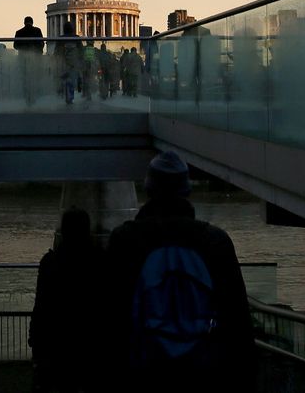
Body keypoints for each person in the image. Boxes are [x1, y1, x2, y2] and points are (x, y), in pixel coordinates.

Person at [105, 151, 256, 393]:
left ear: (148, 190)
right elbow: (237, 321)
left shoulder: (125, 240)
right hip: (202, 372)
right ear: (187, 191)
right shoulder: (215, 241)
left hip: (143, 373)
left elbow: (111, 318)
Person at [29, 207, 105, 393]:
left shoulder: (50, 262)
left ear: (63, 231)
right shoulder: (100, 260)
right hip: (90, 342)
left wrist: (36, 341)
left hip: (57, 342)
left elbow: (41, 305)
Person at [13, 16, 45, 105]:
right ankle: (33, 97)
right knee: (34, 78)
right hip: (35, 59)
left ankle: (27, 98)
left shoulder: (19, 32)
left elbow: (15, 46)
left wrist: (24, 48)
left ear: (24, 22)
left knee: (25, 79)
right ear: (32, 22)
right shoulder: (37, 31)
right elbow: (41, 43)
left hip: (23, 59)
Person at [54, 22, 83, 105]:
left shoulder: (60, 38)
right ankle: (70, 97)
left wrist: (56, 58)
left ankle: (63, 93)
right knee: (72, 79)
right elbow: (81, 50)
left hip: (63, 61)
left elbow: (57, 50)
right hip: (73, 62)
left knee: (64, 78)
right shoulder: (76, 38)